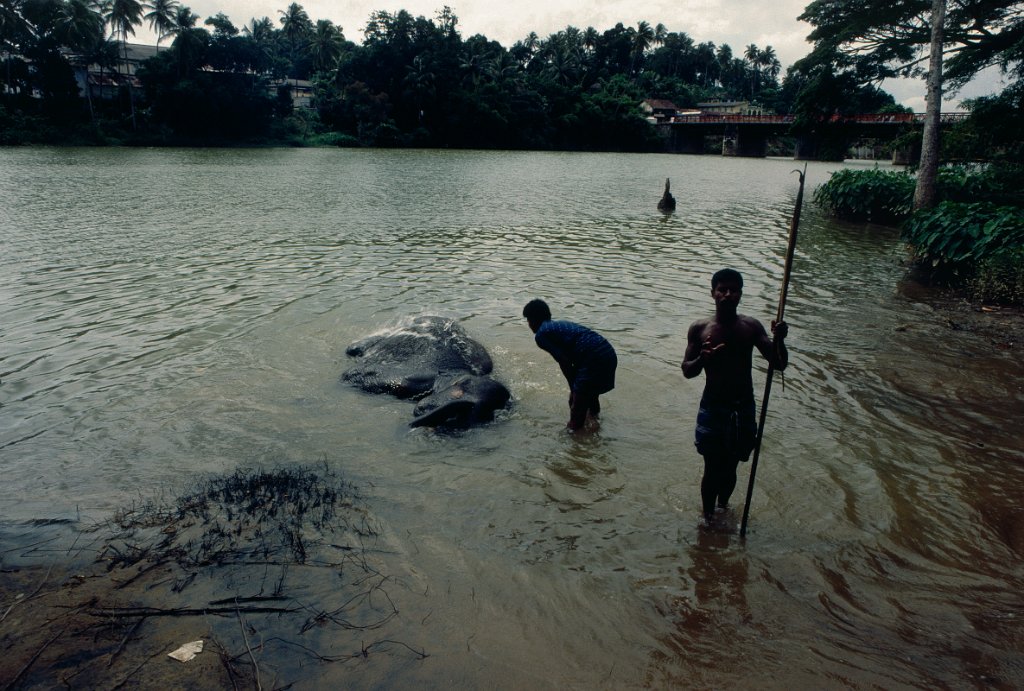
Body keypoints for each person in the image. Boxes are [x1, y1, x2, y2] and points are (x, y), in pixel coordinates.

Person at [681, 268, 788, 527]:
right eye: (722, 289)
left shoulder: (749, 327)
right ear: (713, 293)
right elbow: (687, 370)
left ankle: (723, 508)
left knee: (731, 466)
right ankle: (707, 520)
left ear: (740, 294)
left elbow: (779, 363)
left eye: (733, 290)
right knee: (711, 466)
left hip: (742, 407)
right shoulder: (700, 328)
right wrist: (703, 359)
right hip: (713, 405)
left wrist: (780, 340)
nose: (727, 294)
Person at [523, 299, 618, 432]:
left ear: (533, 320)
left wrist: (573, 389)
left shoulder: (541, 334)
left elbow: (564, 361)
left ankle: (573, 440)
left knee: (576, 408)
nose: (528, 324)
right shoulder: (558, 326)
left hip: (592, 356)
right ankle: (594, 426)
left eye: (527, 320)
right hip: (607, 352)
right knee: (590, 395)